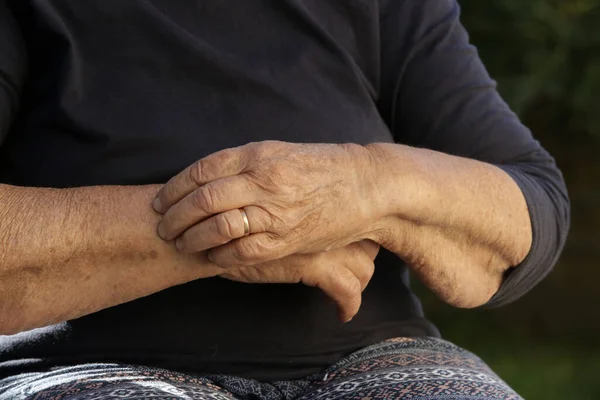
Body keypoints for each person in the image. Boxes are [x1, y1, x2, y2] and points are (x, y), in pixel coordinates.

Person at [0, 0, 569, 398]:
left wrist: (367, 185)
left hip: (373, 362)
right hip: (84, 368)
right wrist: (244, 231)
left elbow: (530, 208)